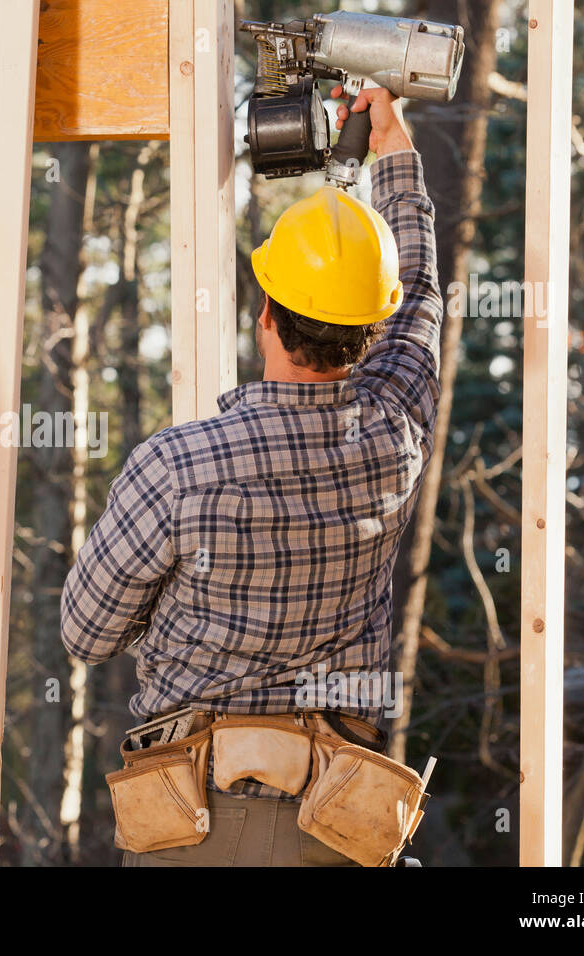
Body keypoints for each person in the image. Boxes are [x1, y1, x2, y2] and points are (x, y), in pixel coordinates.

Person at [59, 85, 443, 866]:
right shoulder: (395, 432)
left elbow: (86, 634)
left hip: (191, 828)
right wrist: (393, 147)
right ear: (373, 327)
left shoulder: (178, 466)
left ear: (265, 311)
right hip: (335, 828)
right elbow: (423, 300)